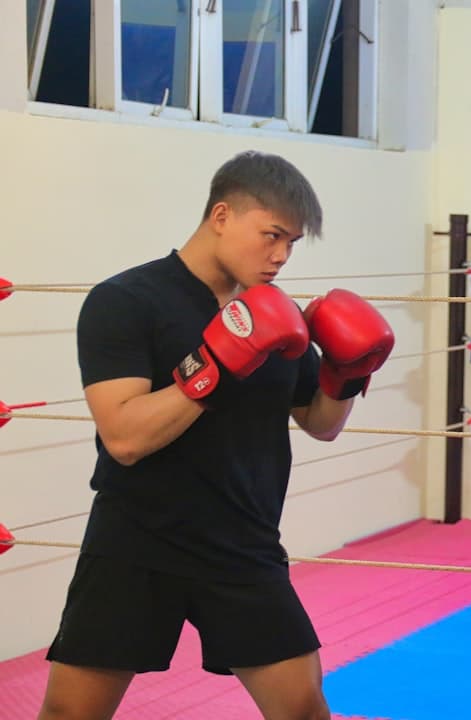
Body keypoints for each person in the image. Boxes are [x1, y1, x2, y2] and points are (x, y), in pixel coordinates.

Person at [38, 150, 395, 720]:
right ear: (222, 215)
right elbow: (124, 437)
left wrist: (348, 372)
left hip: (243, 546)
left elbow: (321, 424)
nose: (280, 256)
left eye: (292, 243)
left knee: (303, 709)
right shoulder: (126, 301)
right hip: (136, 543)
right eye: (271, 235)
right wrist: (217, 362)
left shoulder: (280, 315)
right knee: (70, 715)